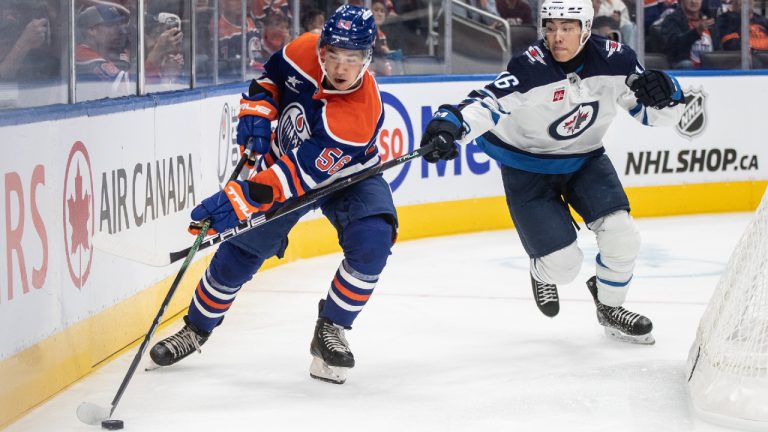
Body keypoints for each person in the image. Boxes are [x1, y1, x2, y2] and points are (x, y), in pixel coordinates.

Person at [150, 5, 395, 385]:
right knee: (239, 254)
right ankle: (195, 329)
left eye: (353, 59)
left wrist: (238, 199)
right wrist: (256, 114)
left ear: (367, 58)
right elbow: (267, 81)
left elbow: (298, 177)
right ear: (322, 48)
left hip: (350, 175)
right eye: (334, 56)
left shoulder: (357, 114)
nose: (342, 69)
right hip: (285, 162)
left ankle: (331, 328)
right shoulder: (301, 49)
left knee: (373, 241)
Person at [420, 0, 686, 344]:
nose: (557, 36)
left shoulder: (618, 60)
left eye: (567, 28)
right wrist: (452, 122)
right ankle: (540, 269)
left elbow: (653, 116)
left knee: (622, 234)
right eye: (551, 27)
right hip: (526, 165)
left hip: (585, 159)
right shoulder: (530, 66)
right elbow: (487, 103)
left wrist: (670, 94)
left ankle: (610, 307)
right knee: (563, 266)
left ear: (586, 29)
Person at [75, 2, 132, 98]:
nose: (121, 30)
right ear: (92, 30)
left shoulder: (112, 53)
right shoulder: (81, 56)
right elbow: (126, 88)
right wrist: (154, 57)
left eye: (120, 25)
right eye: (112, 25)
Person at [660, 0, 720, 68]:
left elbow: (718, 51)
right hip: (683, 69)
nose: (694, 1)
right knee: (686, 64)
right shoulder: (671, 20)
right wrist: (696, 32)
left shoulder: (709, 21)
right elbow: (673, 47)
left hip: (709, 70)